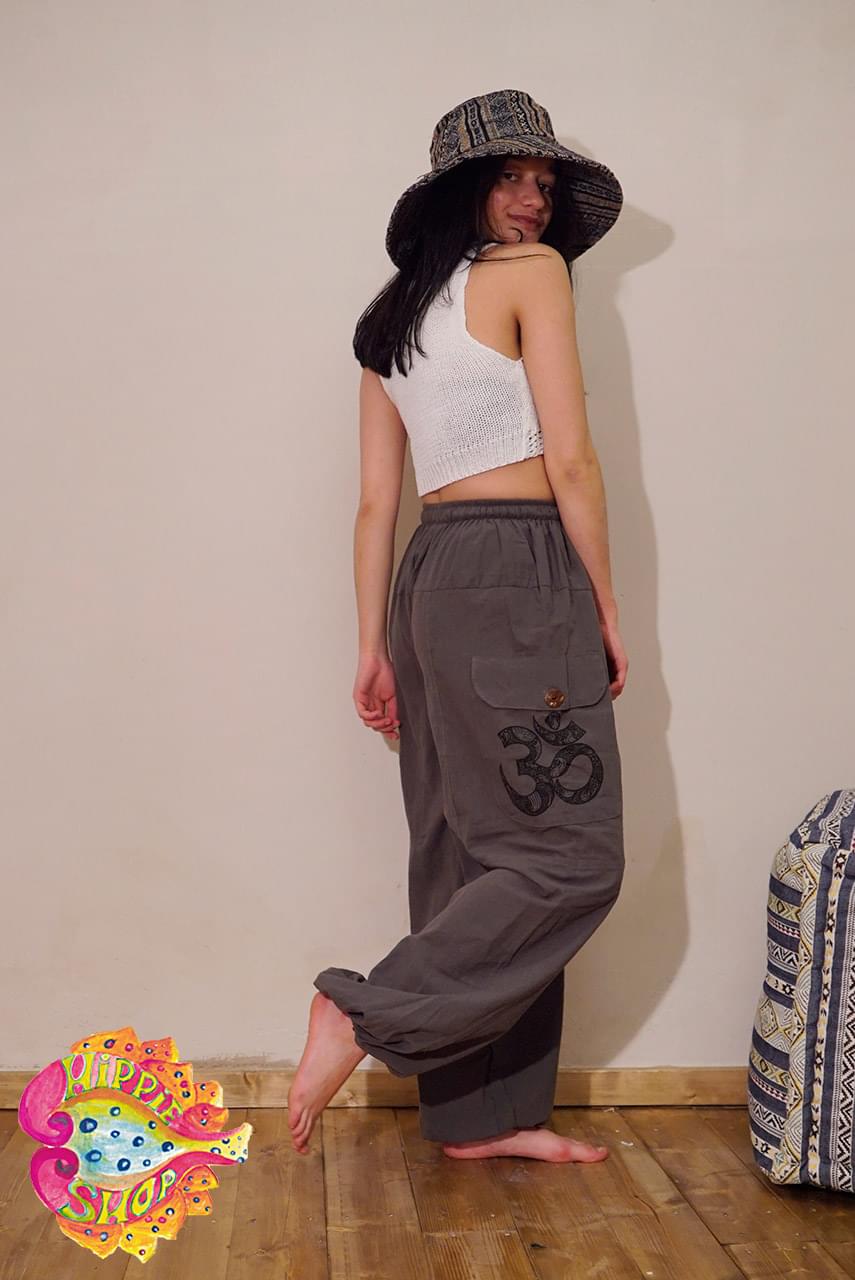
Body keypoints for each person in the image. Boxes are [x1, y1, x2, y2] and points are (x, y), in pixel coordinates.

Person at [288, 88, 628, 1164]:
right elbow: (572, 459)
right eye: (511, 177)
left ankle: (486, 1118)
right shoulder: (534, 274)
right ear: (460, 189)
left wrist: (374, 645)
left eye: (544, 182)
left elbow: (375, 506)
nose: (533, 201)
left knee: (466, 853)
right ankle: (364, 1010)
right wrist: (604, 603)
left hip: (429, 578)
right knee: (566, 856)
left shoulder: (390, 317)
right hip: (517, 568)